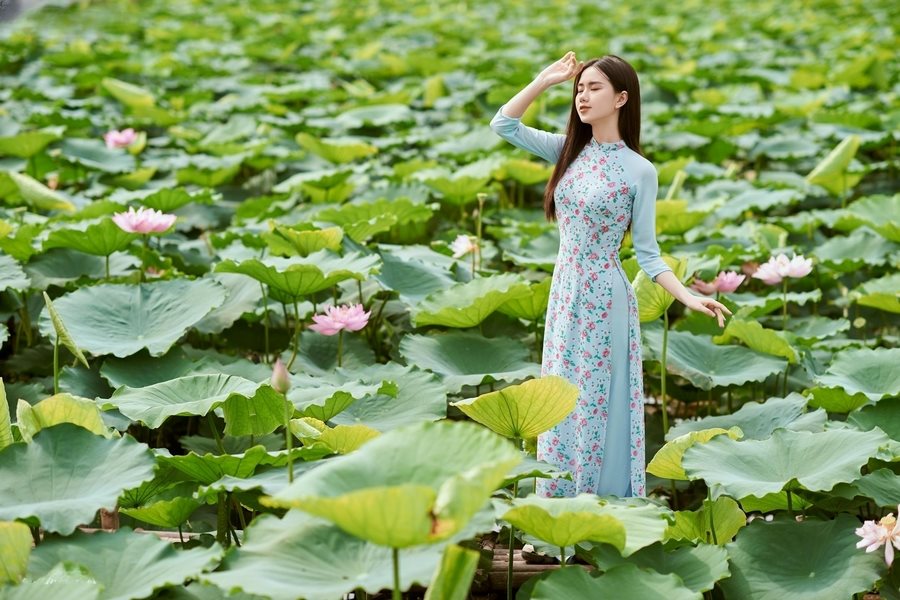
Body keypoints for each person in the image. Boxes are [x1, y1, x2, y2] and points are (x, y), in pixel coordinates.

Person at [489, 52, 732, 498]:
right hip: (565, 293)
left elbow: (649, 255)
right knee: (558, 399)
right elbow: (503, 124)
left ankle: (600, 509)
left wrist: (689, 298)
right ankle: (555, 518)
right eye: (579, 89)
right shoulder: (568, 150)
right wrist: (545, 80)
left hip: (607, 295)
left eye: (594, 87)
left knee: (599, 401)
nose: (583, 96)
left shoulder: (641, 170)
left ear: (621, 98)